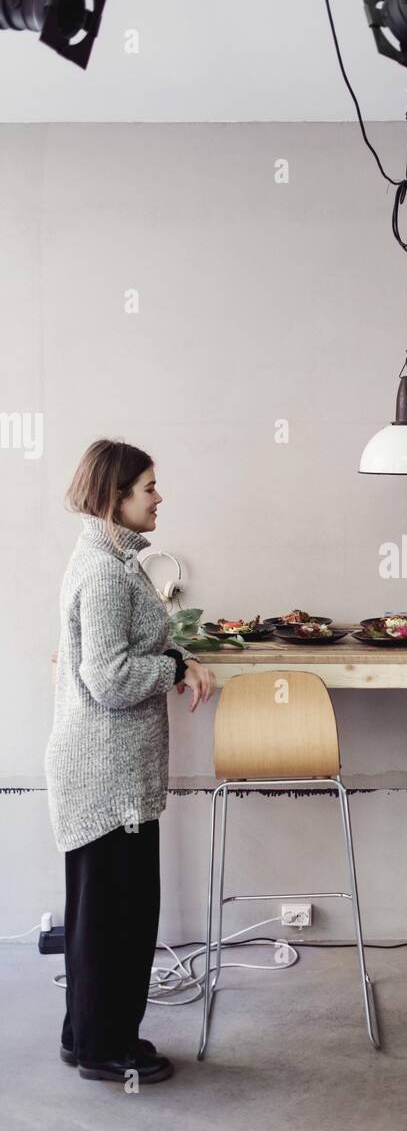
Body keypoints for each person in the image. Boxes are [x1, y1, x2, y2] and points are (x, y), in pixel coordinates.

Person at [44, 440, 217, 1083]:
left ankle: (87, 1035)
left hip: (108, 770)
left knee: (104, 915)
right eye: (148, 486)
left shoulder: (111, 559)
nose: (159, 496)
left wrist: (176, 656)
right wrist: (174, 665)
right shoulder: (104, 571)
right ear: (115, 497)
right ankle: (103, 1050)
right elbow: (110, 678)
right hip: (106, 775)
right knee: (118, 917)